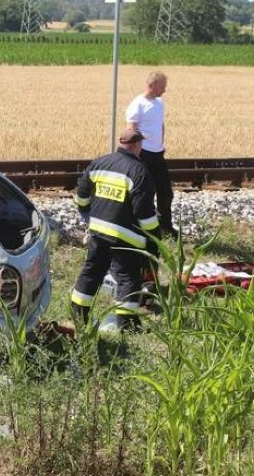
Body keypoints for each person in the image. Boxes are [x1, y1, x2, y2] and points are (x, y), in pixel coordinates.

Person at [70, 127, 161, 332]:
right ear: (137, 145)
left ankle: (78, 314)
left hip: (98, 232)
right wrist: (155, 237)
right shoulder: (140, 171)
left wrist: (88, 216)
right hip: (125, 237)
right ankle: (127, 324)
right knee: (128, 277)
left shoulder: (99, 163)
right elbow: (144, 213)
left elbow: (82, 196)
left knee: (91, 272)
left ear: (121, 143)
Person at [125, 71, 177, 237]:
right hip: (143, 154)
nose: (164, 90)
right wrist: (134, 154)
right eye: (162, 86)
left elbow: (160, 125)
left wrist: (161, 143)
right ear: (152, 85)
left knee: (166, 192)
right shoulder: (137, 105)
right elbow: (130, 130)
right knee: (144, 194)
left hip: (157, 153)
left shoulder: (159, 103)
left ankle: (166, 226)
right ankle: (141, 228)